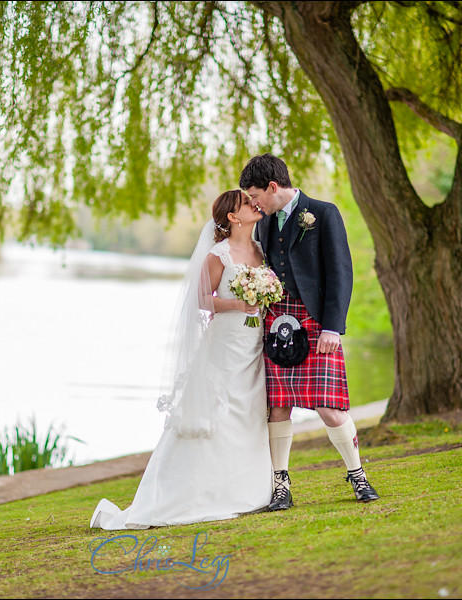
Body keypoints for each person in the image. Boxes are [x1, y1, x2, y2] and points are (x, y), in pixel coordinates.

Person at [90, 190, 273, 530]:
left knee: (247, 412)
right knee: (217, 412)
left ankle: (247, 491)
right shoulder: (219, 255)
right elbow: (201, 300)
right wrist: (238, 305)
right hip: (224, 346)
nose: (254, 205)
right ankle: (190, 495)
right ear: (233, 217)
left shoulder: (261, 250)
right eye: (246, 204)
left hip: (253, 345)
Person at [240, 153, 380, 510]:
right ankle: (280, 485)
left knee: (329, 407)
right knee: (279, 407)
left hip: (317, 321)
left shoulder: (324, 213)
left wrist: (333, 326)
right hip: (278, 320)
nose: (253, 204)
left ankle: (358, 475)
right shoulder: (265, 224)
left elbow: (340, 272)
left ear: (273, 187)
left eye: (255, 196)